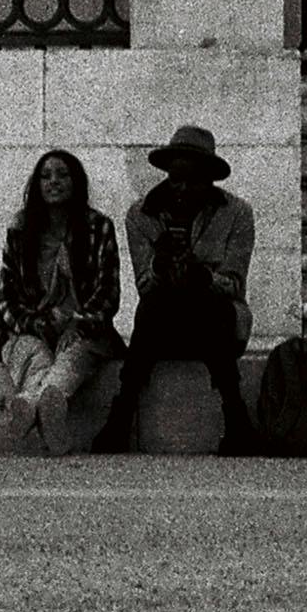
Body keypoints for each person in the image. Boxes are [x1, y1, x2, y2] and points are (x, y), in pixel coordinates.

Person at [95, 124, 258, 454]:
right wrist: (161, 264)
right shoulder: (141, 216)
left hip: (217, 325)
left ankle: (236, 417)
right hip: (164, 325)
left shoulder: (238, 213)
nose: (183, 188)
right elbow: (144, 286)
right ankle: (120, 415)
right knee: (155, 305)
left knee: (209, 306)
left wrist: (201, 276)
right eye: (175, 178)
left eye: (193, 180)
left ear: (209, 179)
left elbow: (234, 284)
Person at [0, 150, 125, 455]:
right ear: (36, 186)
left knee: (74, 355)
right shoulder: (20, 230)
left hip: (83, 328)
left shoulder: (98, 227)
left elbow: (109, 292)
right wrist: (36, 325)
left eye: (62, 175)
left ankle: (39, 401)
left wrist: (78, 321)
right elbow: (7, 298)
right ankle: (45, 409)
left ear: (76, 182)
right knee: (31, 355)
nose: (54, 182)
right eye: (45, 176)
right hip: (32, 327)